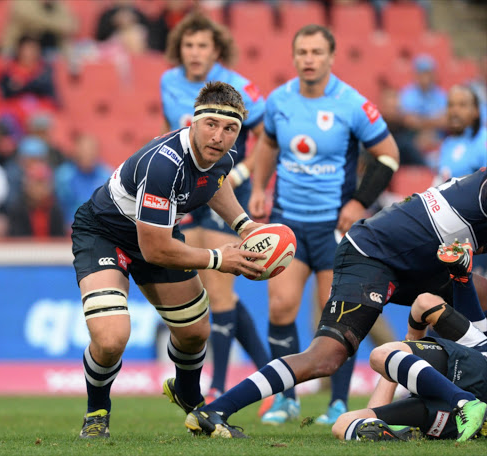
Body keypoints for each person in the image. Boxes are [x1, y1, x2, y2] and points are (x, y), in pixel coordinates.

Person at [184, 168, 487, 439]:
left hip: (418, 261)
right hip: (371, 255)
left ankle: (451, 396)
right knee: (325, 356)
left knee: (474, 294)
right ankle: (215, 411)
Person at [72, 81, 267, 438]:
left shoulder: (224, 152)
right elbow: (155, 250)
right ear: (193, 122)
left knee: (195, 333)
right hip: (105, 234)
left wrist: (245, 225)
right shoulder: (164, 164)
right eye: (211, 125)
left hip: (154, 232)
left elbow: (215, 181)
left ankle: (191, 402)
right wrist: (217, 258)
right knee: (112, 337)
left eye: (230, 129)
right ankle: (96, 411)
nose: (220, 136)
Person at [247, 24, 399, 425]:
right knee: (280, 307)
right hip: (288, 223)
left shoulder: (352, 104)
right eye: (302, 52)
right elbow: (267, 144)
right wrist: (260, 187)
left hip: (335, 226)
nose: (308, 59)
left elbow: (388, 156)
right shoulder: (279, 100)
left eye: (316, 52)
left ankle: (337, 402)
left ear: (331, 56)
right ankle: (285, 399)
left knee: (336, 314)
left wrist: (358, 202)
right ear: (294, 57)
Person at [161, 12, 270, 403]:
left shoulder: (239, 88)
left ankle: (220, 387)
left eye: (202, 45)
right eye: (188, 45)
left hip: (222, 187)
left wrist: (240, 176)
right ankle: (275, 378)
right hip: (189, 188)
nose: (194, 52)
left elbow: (265, 139)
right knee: (219, 291)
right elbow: (173, 134)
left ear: (217, 50)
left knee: (220, 293)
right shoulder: (168, 82)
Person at [333, 254, 487, 442]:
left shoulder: (476, 342)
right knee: (343, 424)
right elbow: (426, 303)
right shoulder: (472, 335)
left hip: (463, 389)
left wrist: (411, 339)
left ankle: (464, 403)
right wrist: (402, 358)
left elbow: (424, 302)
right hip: (449, 416)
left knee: (379, 355)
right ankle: (401, 434)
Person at [55, 133, 111, 227]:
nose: (87, 154)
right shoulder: (63, 175)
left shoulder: (107, 176)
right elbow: (60, 206)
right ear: (75, 151)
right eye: (83, 150)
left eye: (91, 150)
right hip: (68, 229)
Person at [437, 85, 487, 182]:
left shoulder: (483, 141)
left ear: (476, 110)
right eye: (450, 105)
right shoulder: (447, 143)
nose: (454, 111)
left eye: (462, 105)